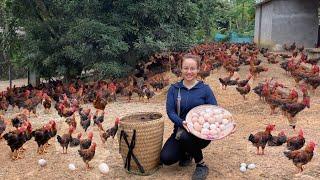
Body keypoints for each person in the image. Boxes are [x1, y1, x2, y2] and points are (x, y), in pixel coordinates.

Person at [160, 54, 217, 180]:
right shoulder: (174, 89)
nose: (189, 72)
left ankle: (201, 165)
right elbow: (171, 112)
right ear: (181, 68)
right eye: (186, 68)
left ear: (198, 69)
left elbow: (215, 111)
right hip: (180, 130)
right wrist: (181, 123)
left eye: (192, 68)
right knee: (166, 159)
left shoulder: (205, 89)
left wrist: (225, 126)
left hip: (201, 134)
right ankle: (187, 153)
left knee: (187, 136)